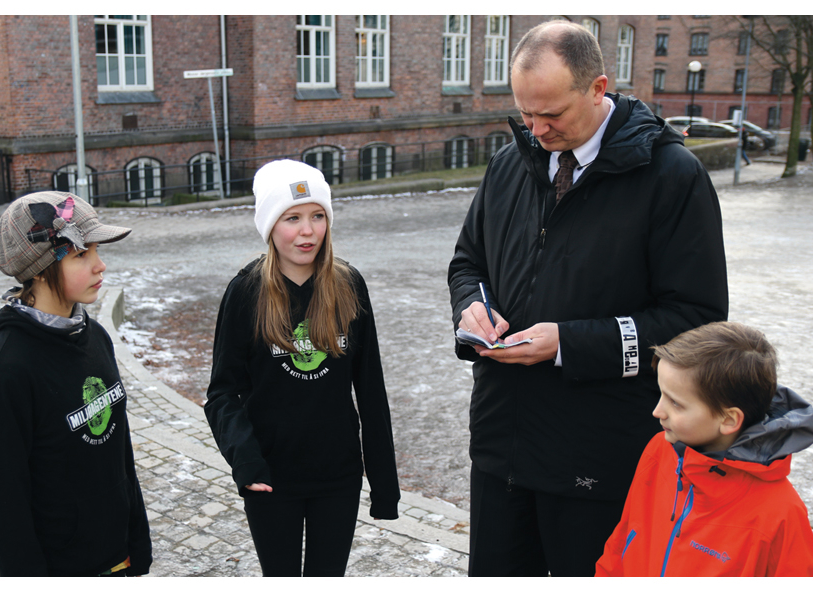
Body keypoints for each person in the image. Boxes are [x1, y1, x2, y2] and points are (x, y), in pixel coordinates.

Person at [447, 21, 728, 576]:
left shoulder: (672, 176)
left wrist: (567, 345)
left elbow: (696, 323)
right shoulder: (510, 163)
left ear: (598, 87)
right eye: (526, 112)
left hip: (599, 458)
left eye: (552, 114)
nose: (536, 129)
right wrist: (471, 307)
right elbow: (467, 263)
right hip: (501, 446)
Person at [204, 159, 400, 576]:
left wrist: (385, 487)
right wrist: (246, 462)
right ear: (270, 225)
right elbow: (222, 393)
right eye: (292, 218)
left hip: (337, 477)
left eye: (317, 216)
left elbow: (370, 390)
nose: (307, 231)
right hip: (271, 477)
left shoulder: (348, 286)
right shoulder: (246, 292)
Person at [0, 191, 152, 576]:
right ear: (39, 267)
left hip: (115, 558)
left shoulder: (96, 337)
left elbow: (119, 453)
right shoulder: (6, 372)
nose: (100, 266)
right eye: (82, 255)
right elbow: (5, 503)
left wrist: (137, 539)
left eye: (98, 252)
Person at [596, 322, 813, 576]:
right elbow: (622, 540)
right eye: (661, 394)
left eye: (676, 403)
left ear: (729, 420)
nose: (657, 411)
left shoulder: (781, 514)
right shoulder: (659, 450)